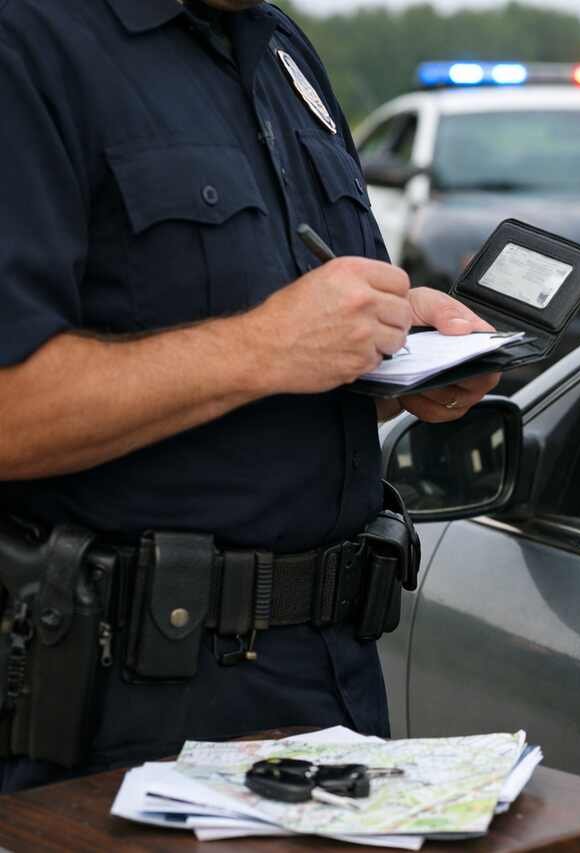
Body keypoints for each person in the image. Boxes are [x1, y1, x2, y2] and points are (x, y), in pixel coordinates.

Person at [0, 0, 498, 790]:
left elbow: (293, 353)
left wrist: (401, 354)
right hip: (130, 706)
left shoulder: (279, 47)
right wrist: (264, 346)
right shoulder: (28, 42)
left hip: (334, 678)